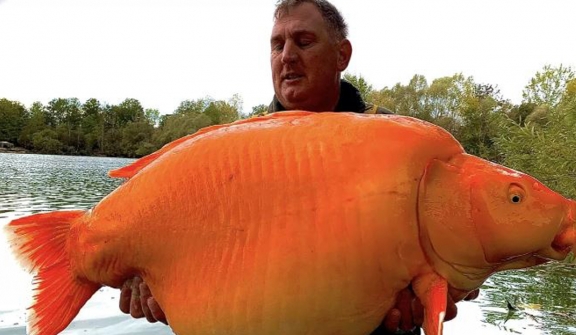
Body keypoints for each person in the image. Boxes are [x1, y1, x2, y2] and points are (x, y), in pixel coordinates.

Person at [119, 1, 479, 334]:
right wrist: (154, 281)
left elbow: (469, 247)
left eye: (304, 41)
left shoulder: (403, 144)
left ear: (342, 54)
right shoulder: (236, 152)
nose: (287, 56)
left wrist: (454, 286)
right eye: (278, 45)